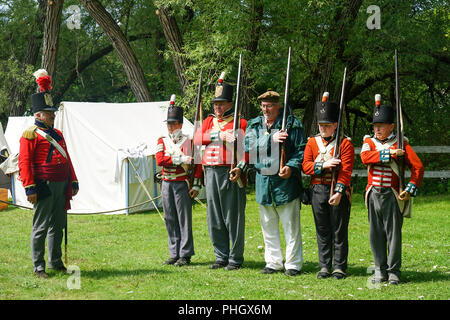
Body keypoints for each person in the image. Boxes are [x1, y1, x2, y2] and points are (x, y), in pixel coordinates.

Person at [18, 69, 79, 278]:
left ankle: (55, 261)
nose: (52, 115)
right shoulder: (30, 134)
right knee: (41, 226)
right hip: (43, 184)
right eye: (48, 112)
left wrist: (73, 180)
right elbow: (24, 163)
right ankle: (39, 266)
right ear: (38, 115)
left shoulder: (58, 134)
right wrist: (29, 187)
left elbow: (67, 158)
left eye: (52, 112)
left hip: (61, 184)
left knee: (58, 225)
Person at [360, 94, 424, 285]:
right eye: (375, 126)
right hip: (373, 194)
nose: (377, 129)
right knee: (375, 234)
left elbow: (418, 167)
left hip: (393, 194)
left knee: (393, 235)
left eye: (381, 125)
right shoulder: (369, 142)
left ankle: (394, 271)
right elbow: (365, 158)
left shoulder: (401, 142)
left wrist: (410, 189)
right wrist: (390, 153)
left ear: (391, 127)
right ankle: (380, 271)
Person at [244, 90, 306, 277]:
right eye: (263, 106)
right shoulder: (254, 125)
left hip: (285, 182)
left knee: (291, 226)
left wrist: (291, 166)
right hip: (263, 181)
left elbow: (301, 150)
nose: (266, 110)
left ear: (278, 105)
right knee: (268, 225)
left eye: (269, 106)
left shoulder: (292, 124)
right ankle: (273, 262)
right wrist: (270, 138)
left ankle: (293, 264)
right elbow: (248, 146)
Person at [194, 73, 248, 271]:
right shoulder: (209, 121)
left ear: (229, 103)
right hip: (210, 172)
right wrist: (219, 135)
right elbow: (198, 138)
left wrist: (239, 168)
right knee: (214, 217)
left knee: (232, 218)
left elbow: (246, 151)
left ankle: (235, 257)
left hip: (229, 173)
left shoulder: (240, 122)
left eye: (222, 103)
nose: (218, 107)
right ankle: (220, 256)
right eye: (216, 103)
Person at [302, 92, 354, 280]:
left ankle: (339, 266)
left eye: (327, 126)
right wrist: (323, 165)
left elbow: (346, 171)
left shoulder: (345, 144)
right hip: (317, 190)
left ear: (335, 125)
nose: (323, 129)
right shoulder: (311, 142)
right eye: (321, 125)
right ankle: (324, 265)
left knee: (339, 230)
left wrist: (340, 192)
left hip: (336, 191)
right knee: (322, 230)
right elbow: (306, 166)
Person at [155, 95, 203, 267]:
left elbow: (197, 164)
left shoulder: (188, 141)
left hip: (182, 182)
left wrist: (196, 185)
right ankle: (174, 253)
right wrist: (180, 158)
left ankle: (185, 254)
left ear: (181, 124)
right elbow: (160, 160)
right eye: (169, 123)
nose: (171, 126)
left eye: (174, 123)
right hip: (166, 182)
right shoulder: (162, 140)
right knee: (170, 218)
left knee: (184, 219)